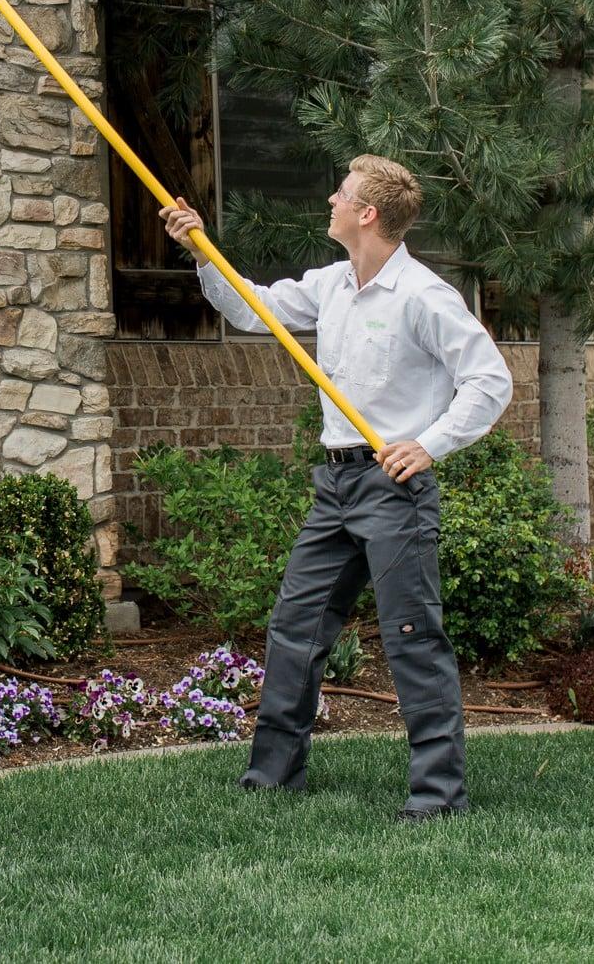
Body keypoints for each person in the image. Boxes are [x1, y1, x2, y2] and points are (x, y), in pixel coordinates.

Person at [160, 155, 512, 820]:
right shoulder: (331, 285)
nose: (330, 199)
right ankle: (271, 777)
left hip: (391, 487)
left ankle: (437, 798)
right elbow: (252, 311)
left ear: (367, 214)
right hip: (335, 485)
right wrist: (200, 250)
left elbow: (489, 380)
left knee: (412, 637)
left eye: (341, 194)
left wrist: (427, 443)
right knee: (295, 626)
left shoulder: (423, 297)